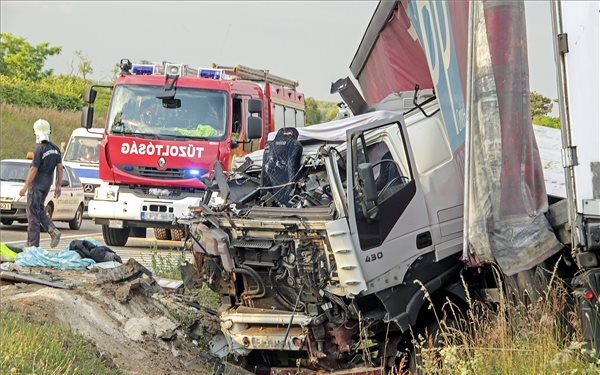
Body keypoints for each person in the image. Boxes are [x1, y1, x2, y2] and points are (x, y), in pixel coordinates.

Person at [19, 119, 63, 248]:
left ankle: (32, 246)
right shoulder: (55, 149)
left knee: (32, 213)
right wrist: (58, 185)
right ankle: (52, 230)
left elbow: (34, 169)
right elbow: (60, 168)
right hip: (47, 183)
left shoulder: (39, 149)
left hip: (37, 184)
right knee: (39, 209)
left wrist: (25, 186)